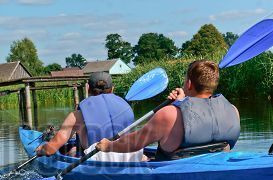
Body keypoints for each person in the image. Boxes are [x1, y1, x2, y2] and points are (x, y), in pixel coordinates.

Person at [96, 60, 240, 160]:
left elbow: (135, 143)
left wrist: (109, 145)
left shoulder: (168, 114)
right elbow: (200, 116)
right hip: (216, 166)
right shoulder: (233, 110)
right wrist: (181, 102)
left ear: (189, 83)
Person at [35, 72, 136, 159]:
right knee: (75, 148)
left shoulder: (76, 116)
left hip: (97, 159)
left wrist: (41, 150)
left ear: (87, 88)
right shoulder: (126, 107)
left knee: (72, 151)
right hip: (129, 156)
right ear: (112, 89)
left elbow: (50, 150)